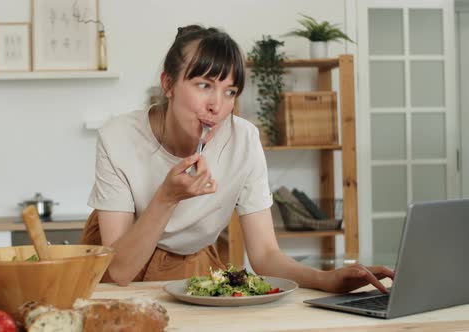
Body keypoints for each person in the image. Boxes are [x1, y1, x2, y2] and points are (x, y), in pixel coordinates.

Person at [83, 24, 394, 292]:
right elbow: (119, 271)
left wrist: (326, 280)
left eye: (230, 91)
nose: (217, 106)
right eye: (204, 85)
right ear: (168, 85)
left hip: (188, 267)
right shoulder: (118, 138)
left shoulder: (244, 141)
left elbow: (265, 255)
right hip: (121, 261)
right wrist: (166, 198)